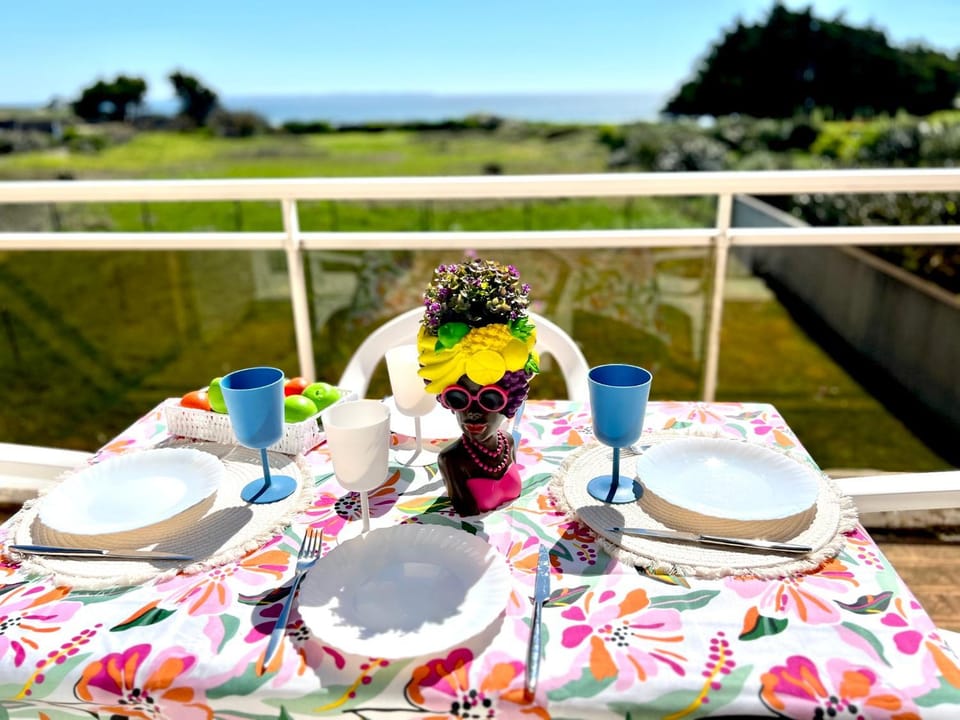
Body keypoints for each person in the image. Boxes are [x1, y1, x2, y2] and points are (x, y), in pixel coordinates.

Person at [416, 259, 539, 516]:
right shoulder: (451, 461)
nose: (472, 413)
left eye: (490, 398)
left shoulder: (508, 443)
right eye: (458, 398)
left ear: (511, 402)